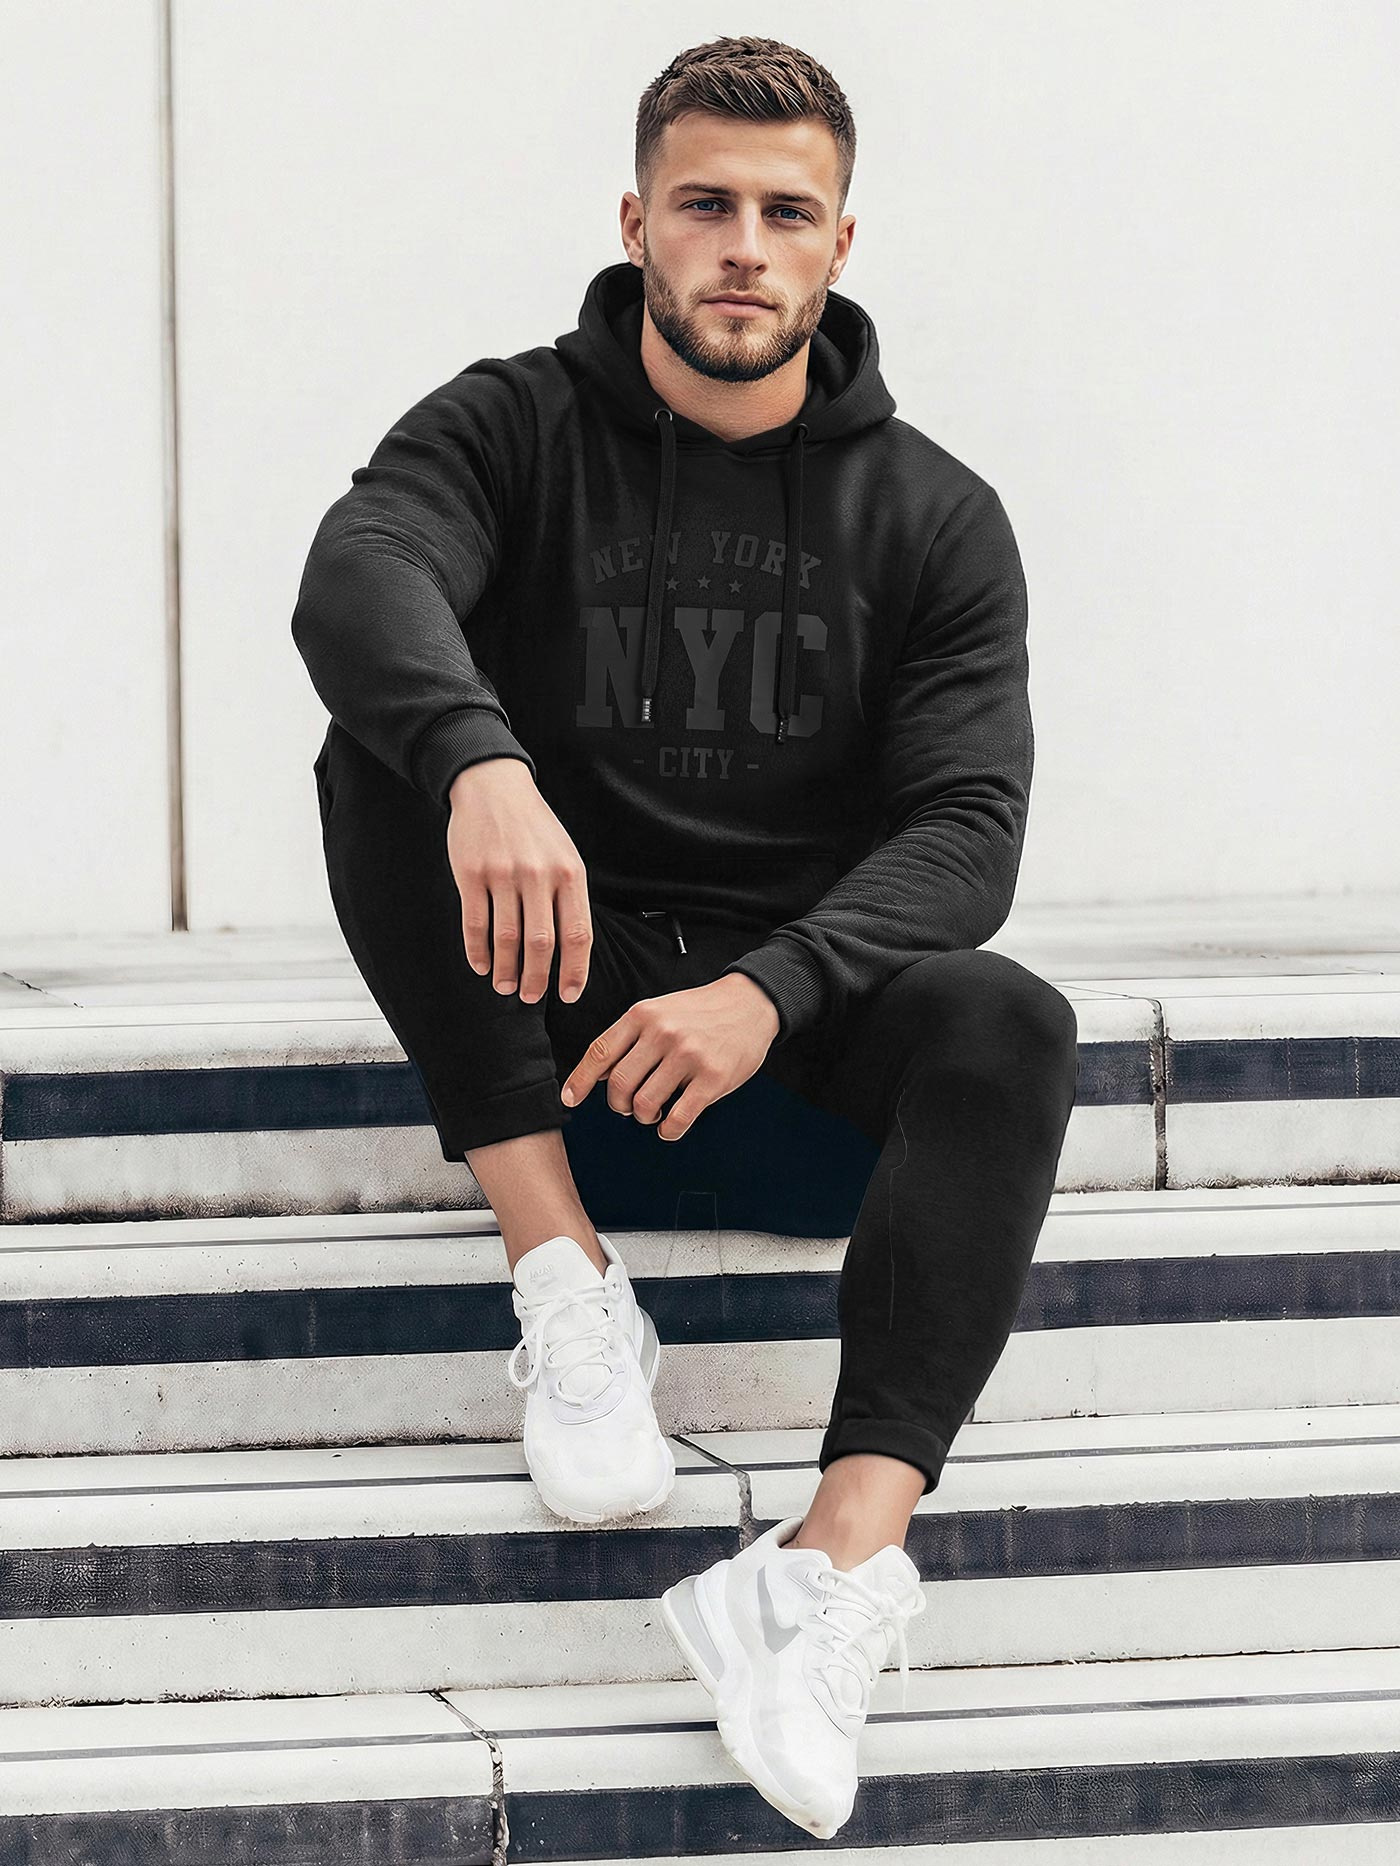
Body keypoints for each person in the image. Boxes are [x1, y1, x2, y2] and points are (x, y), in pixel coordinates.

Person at [291, 33, 1079, 1841]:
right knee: (387, 750)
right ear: (635, 221)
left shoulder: (936, 517)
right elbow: (361, 569)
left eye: (786, 213)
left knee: (1011, 1020)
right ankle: (566, 1281)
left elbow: (970, 828)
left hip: (777, 1056)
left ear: (840, 244)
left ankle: (826, 1569)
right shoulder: (511, 427)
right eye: (705, 204)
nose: (743, 245)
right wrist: (484, 763)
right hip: (549, 1037)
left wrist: (769, 988)